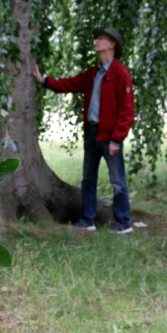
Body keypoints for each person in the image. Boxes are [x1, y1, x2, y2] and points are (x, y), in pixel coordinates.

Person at [33, 28, 135, 234]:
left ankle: (124, 223)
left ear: (112, 44)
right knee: (88, 179)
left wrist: (117, 139)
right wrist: (45, 81)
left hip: (110, 138)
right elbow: (70, 84)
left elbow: (127, 110)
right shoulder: (93, 73)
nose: (96, 41)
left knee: (117, 182)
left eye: (101, 39)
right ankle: (88, 219)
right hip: (92, 134)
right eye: (96, 37)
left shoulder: (121, 74)